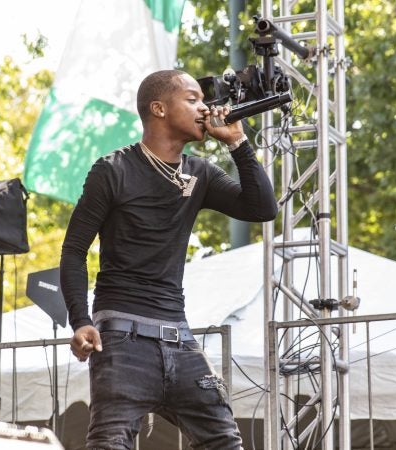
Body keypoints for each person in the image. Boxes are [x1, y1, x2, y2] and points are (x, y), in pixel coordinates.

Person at [60, 69, 278, 450]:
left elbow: (262, 208)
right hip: (121, 339)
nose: (204, 107)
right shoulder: (113, 170)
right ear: (158, 108)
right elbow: (74, 250)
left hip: (179, 337)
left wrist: (238, 141)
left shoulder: (201, 173)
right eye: (192, 99)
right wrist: (80, 320)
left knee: (225, 441)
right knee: (110, 443)